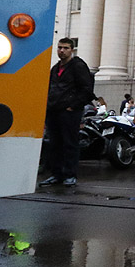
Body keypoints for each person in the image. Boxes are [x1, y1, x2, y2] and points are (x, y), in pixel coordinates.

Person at [40, 38, 95, 187]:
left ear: (72, 49)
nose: (62, 51)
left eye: (65, 48)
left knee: (69, 143)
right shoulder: (55, 68)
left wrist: (73, 106)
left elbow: (87, 89)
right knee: (54, 143)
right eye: (59, 48)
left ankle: (70, 174)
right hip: (54, 110)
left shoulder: (77, 66)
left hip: (69, 112)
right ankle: (56, 174)